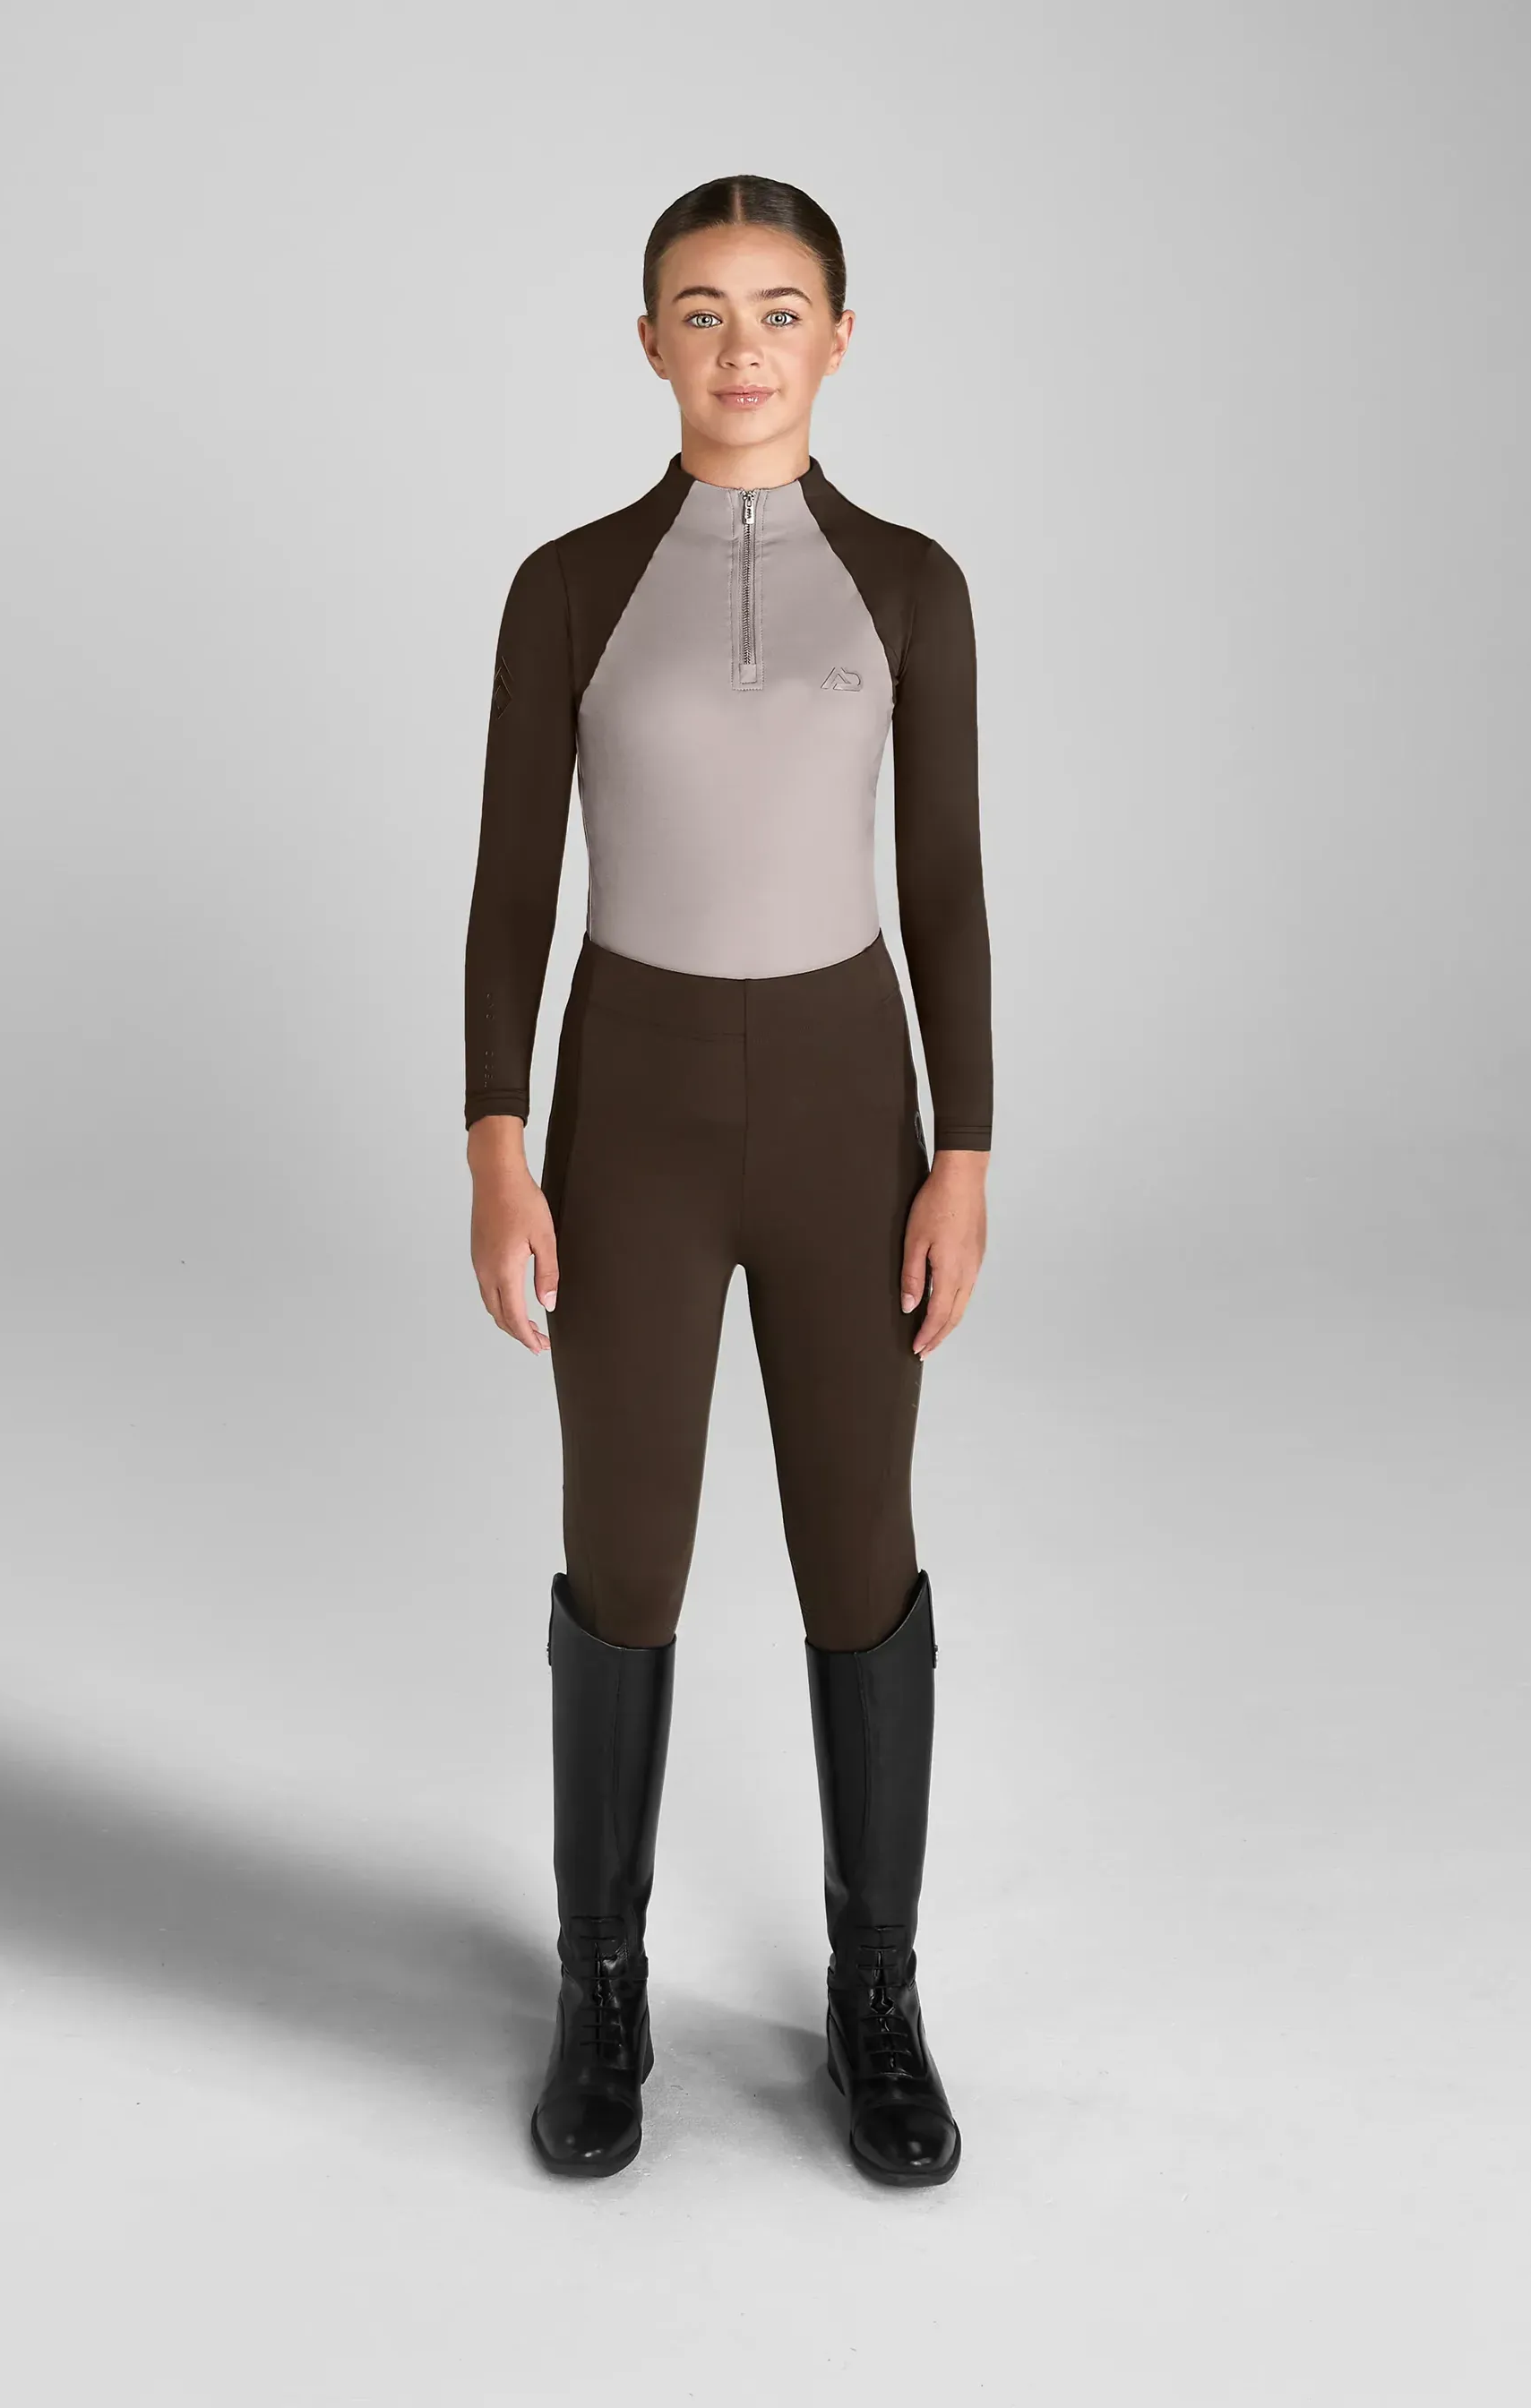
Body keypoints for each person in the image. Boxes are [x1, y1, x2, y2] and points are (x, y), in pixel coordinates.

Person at [462, 173, 992, 2187]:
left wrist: (964, 1151)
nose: (741, 345)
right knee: (626, 1556)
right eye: (701, 310)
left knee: (860, 1554)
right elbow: (514, 887)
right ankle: (601, 1992)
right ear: (649, 343)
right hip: (637, 1112)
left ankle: (879, 1998)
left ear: (839, 339)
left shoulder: (914, 585)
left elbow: (944, 887)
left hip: (851, 1110)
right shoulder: (569, 586)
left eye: (779, 310)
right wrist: (498, 1144)